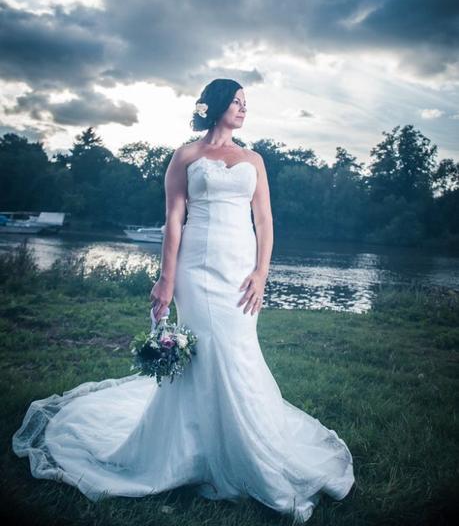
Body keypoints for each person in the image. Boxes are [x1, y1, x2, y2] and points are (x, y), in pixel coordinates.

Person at [11, 78, 355, 523]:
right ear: (214, 106)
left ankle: (243, 444)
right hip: (195, 268)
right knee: (202, 353)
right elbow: (174, 219)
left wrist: (261, 274)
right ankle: (189, 450)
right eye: (235, 101)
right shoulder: (186, 155)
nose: (243, 108)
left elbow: (265, 220)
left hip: (239, 269)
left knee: (238, 352)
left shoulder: (254, 159)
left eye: (246, 103)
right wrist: (166, 279)